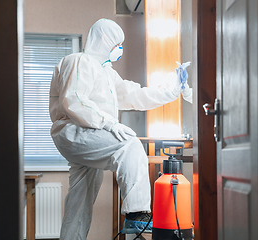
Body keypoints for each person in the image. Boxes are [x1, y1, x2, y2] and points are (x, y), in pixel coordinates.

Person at [49, 18, 183, 240]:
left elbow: (133, 94)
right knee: (129, 145)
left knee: (81, 198)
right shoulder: (79, 61)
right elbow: (73, 100)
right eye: (116, 44)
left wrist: (169, 93)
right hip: (74, 131)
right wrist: (109, 122)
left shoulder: (106, 73)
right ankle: (136, 214)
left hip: (88, 135)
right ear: (104, 41)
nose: (119, 49)